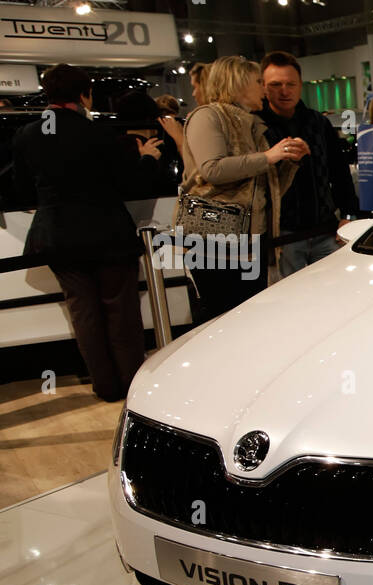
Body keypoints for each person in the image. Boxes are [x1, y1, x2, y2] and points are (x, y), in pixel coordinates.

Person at [10, 64, 149, 401]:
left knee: (83, 313)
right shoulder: (100, 133)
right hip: (108, 233)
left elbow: (20, 189)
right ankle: (132, 386)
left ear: (48, 93)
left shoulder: (27, 134)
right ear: (85, 94)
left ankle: (104, 387)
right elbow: (127, 183)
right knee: (121, 313)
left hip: (59, 237)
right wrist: (144, 158)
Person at [179, 55, 307, 320]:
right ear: (237, 83)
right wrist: (269, 157)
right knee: (225, 320)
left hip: (250, 242)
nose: (264, 89)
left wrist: (289, 162)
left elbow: (267, 191)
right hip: (215, 242)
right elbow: (212, 170)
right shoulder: (207, 116)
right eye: (258, 81)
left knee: (249, 319)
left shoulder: (251, 125)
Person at [256, 51, 360, 278]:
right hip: (283, 237)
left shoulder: (318, 123)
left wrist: (349, 214)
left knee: (333, 294)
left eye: (290, 83)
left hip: (325, 230)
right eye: (276, 84)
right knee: (288, 302)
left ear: (300, 85)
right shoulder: (256, 126)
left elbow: (339, 171)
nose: (284, 90)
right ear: (263, 87)